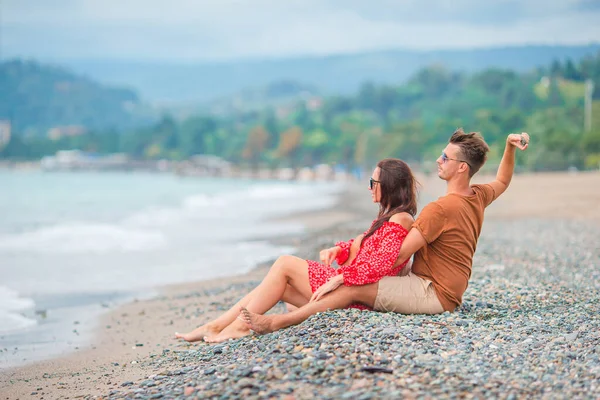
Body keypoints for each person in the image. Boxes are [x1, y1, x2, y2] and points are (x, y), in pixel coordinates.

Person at [240, 129, 530, 334]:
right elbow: (503, 180)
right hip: (450, 293)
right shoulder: (477, 195)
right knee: (351, 286)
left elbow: (394, 257)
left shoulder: (439, 210)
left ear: (462, 168)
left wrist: (342, 275)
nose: (438, 161)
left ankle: (279, 323)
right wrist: (508, 146)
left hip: (433, 293)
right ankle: (258, 320)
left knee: (353, 286)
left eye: (445, 158)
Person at [175, 158, 418, 343]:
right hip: (350, 286)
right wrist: (341, 250)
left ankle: (237, 327)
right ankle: (216, 325)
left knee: (284, 264)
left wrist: (341, 277)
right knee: (277, 286)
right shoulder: (389, 217)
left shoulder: (400, 219)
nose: (369, 187)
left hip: (354, 294)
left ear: (388, 185)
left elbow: (381, 265)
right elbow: (367, 252)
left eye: (372, 182)